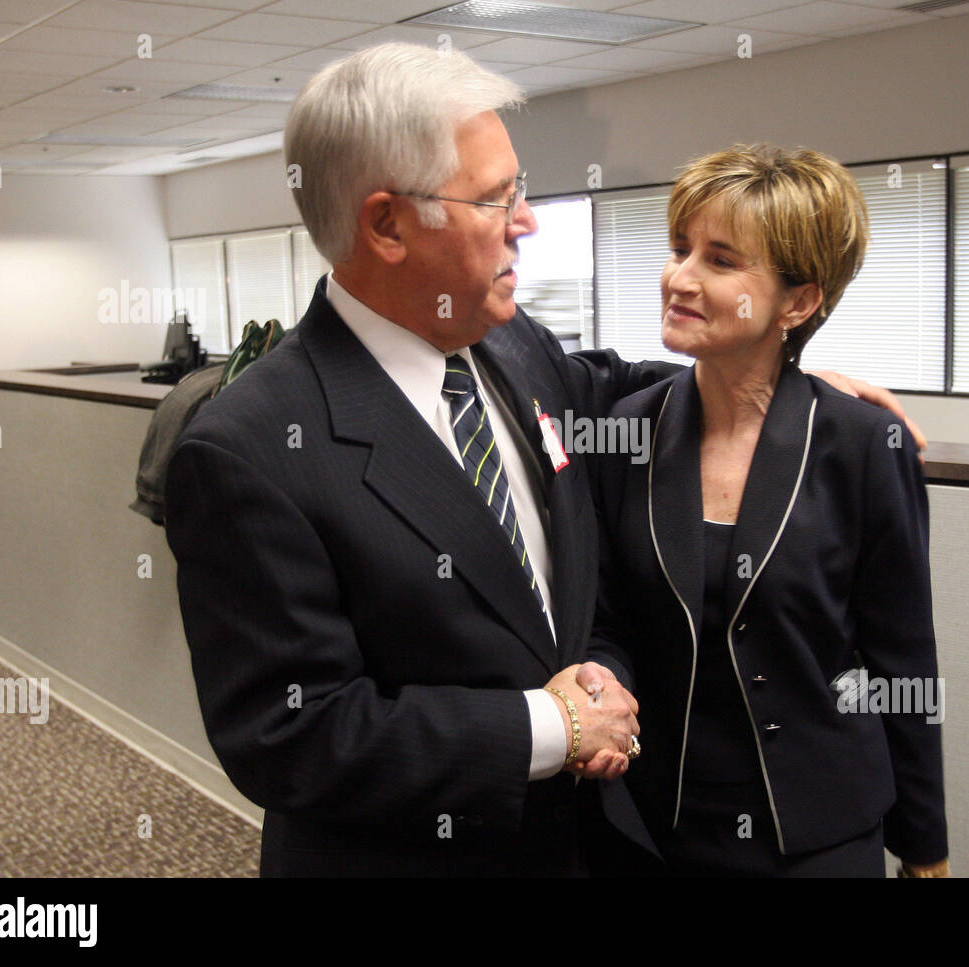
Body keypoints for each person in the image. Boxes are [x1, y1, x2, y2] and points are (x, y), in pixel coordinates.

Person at [164, 44, 921, 877]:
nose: (527, 221)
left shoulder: (508, 342)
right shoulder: (249, 448)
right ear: (386, 224)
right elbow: (292, 736)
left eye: (518, 189)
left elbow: (615, 386)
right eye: (494, 199)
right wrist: (552, 728)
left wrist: (777, 382)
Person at [585, 144, 950, 876]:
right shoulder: (627, 429)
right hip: (655, 827)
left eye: (720, 261)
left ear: (799, 301)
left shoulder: (862, 445)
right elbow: (609, 618)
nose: (679, 278)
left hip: (816, 832)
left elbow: (901, 658)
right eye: (679, 249)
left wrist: (925, 847)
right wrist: (599, 685)